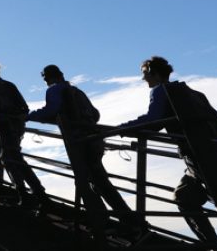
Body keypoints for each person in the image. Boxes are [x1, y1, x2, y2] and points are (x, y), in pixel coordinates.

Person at [117, 56, 217, 248]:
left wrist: (123, 128)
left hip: (198, 156)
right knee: (185, 197)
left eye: (145, 74)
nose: (144, 79)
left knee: (215, 198)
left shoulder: (160, 91)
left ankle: (213, 245)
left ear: (155, 74)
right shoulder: (194, 93)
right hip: (213, 153)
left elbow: (153, 120)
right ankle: (212, 245)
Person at [27, 65, 140, 236]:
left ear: (47, 78)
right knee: (102, 182)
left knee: (84, 182)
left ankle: (101, 222)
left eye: (45, 78)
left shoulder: (54, 90)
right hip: (94, 139)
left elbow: (51, 109)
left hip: (79, 142)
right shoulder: (76, 91)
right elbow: (95, 114)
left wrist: (29, 116)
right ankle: (131, 222)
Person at [0, 60, 46, 207]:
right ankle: (34, 193)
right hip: (17, 125)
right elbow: (24, 107)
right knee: (13, 157)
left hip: (4, 125)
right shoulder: (9, 85)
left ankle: (31, 194)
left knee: (9, 159)